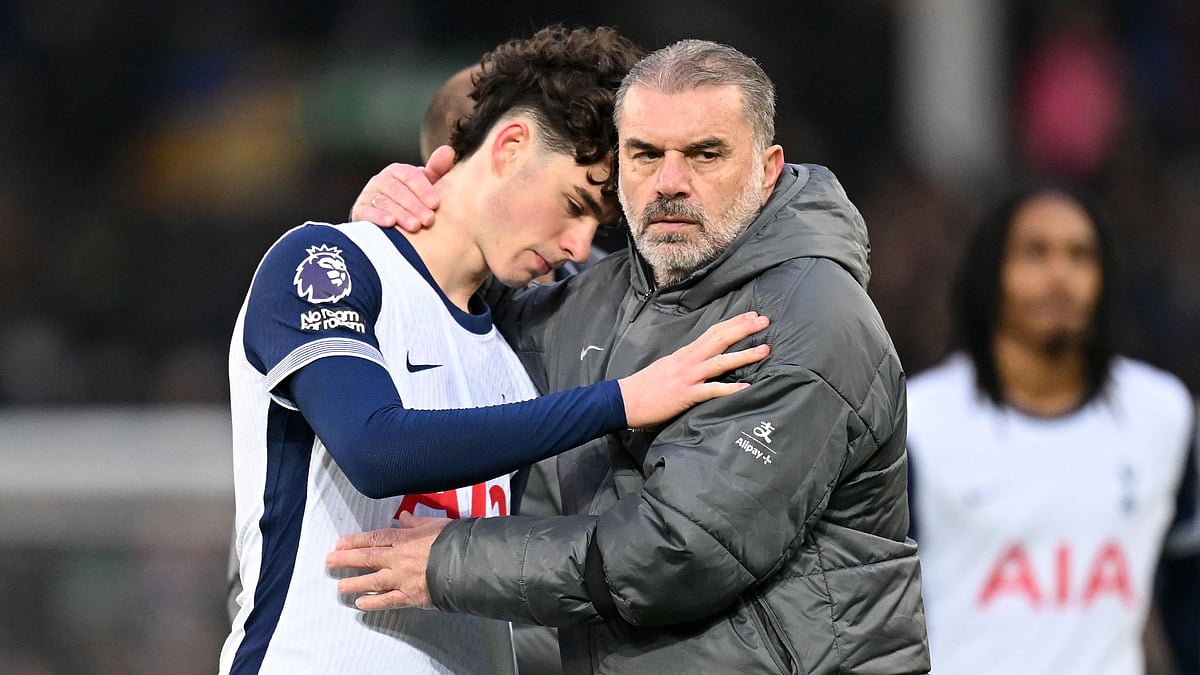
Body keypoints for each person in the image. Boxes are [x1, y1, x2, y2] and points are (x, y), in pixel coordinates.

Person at [329, 39, 930, 674]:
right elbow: (458, 323)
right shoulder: (594, 297)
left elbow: (682, 550)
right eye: (646, 155)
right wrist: (409, 222)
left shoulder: (810, 313)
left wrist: (448, 560)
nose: (671, 183)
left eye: (705, 154)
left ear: (768, 168)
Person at [220, 26, 772, 674]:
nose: (577, 244)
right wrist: (620, 401)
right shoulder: (328, 261)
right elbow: (375, 450)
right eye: (574, 204)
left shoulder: (521, 327)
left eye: (598, 225)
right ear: (510, 146)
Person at [904, 186, 1199, 674]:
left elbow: (1187, 587)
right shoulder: (919, 421)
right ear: (990, 273)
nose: (1060, 275)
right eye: (1035, 253)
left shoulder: (1162, 415)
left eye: (1080, 255)